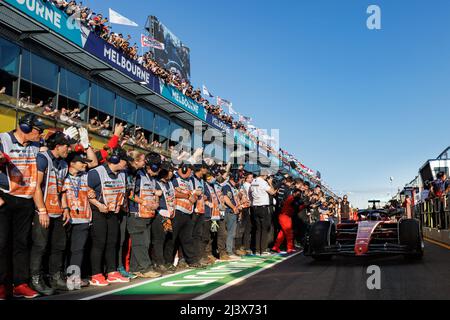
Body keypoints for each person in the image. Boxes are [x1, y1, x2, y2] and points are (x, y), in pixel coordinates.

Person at [0, 113, 45, 299]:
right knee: (2, 244)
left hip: (25, 200)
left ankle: (20, 284)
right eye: (38, 130)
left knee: (22, 244)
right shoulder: (3, 139)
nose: (40, 134)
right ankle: (2, 285)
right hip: (5, 198)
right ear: (25, 128)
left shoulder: (35, 146)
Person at [29, 131, 76, 295]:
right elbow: (36, 186)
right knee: (40, 246)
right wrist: (41, 211)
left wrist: (65, 208)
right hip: (42, 211)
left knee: (59, 246)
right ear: (57, 146)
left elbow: (62, 190)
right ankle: (36, 279)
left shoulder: (63, 164)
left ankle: (56, 277)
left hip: (57, 212)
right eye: (66, 147)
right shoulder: (43, 158)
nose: (68, 150)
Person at [87, 147, 130, 286]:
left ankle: (112, 272)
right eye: (125, 161)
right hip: (98, 211)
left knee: (113, 242)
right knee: (99, 243)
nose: (126, 164)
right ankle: (96, 274)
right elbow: (85, 191)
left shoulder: (122, 174)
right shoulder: (96, 173)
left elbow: (121, 192)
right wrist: (98, 205)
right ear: (116, 160)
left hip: (113, 212)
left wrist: (119, 204)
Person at [62, 151, 95, 290]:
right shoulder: (62, 174)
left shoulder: (86, 176)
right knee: (61, 249)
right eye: (81, 162)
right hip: (65, 218)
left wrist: (90, 191)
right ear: (72, 163)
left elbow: (94, 163)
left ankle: (74, 278)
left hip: (82, 218)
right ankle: (61, 277)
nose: (85, 164)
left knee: (78, 250)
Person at [127, 152, 162, 278]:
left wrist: (156, 202)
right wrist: (144, 202)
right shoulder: (138, 175)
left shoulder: (152, 179)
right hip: (136, 214)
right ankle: (146, 268)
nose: (158, 172)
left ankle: (135, 268)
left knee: (145, 243)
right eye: (157, 168)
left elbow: (154, 194)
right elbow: (129, 194)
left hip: (148, 215)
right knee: (140, 243)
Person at [171, 163, 201, 268]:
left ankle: (191, 260)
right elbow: (172, 192)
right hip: (177, 211)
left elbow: (194, 195)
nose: (190, 173)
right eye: (189, 171)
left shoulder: (190, 181)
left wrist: (193, 197)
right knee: (173, 239)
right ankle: (169, 262)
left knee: (187, 238)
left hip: (188, 212)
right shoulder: (174, 178)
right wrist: (188, 195)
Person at [152, 161, 176, 273]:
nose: (170, 173)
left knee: (169, 239)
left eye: (171, 171)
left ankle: (167, 262)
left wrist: (173, 210)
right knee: (159, 240)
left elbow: (172, 197)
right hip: (159, 214)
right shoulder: (155, 182)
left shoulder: (170, 183)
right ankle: (158, 263)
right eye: (168, 171)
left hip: (169, 214)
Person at [250, 168, 277, 255]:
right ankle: (263, 250)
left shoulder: (253, 182)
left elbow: (250, 193)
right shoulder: (263, 182)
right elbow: (272, 192)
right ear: (264, 175)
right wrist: (270, 183)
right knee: (264, 229)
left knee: (258, 229)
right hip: (263, 207)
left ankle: (257, 250)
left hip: (255, 206)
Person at [272, 189, 303, 254]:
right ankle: (289, 248)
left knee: (282, 233)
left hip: (286, 217)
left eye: (299, 194)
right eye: (297, 194)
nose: (298, 195)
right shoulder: (291, 198)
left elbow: (297, 209)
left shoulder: (293, 199)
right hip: (284, 216)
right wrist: (304, 205)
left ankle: (275, 247)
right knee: (289, 233)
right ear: (294, 193)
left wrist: (304, 205)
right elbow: (296, 207)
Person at [191, 163, 208, 264]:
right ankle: (190, 257)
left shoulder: (201, 180)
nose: (206, 171)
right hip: (194, 210)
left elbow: (203, 194)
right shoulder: (192, 179)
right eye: (205, 168)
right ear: (201, 168)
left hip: (201, 210)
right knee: (191, 235)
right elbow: (191, 192)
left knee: (198, 235)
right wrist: (194, 193)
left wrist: (205, 197)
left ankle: (198, 256)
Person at [222, 172, 242, 259]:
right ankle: (229, 251)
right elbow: (225, 198)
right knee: (230, 232)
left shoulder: (233, 187)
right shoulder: (227, 186)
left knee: (232, 232)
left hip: (232, 211)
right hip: (229, 211)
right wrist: (233, 207)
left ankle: (230, 250)